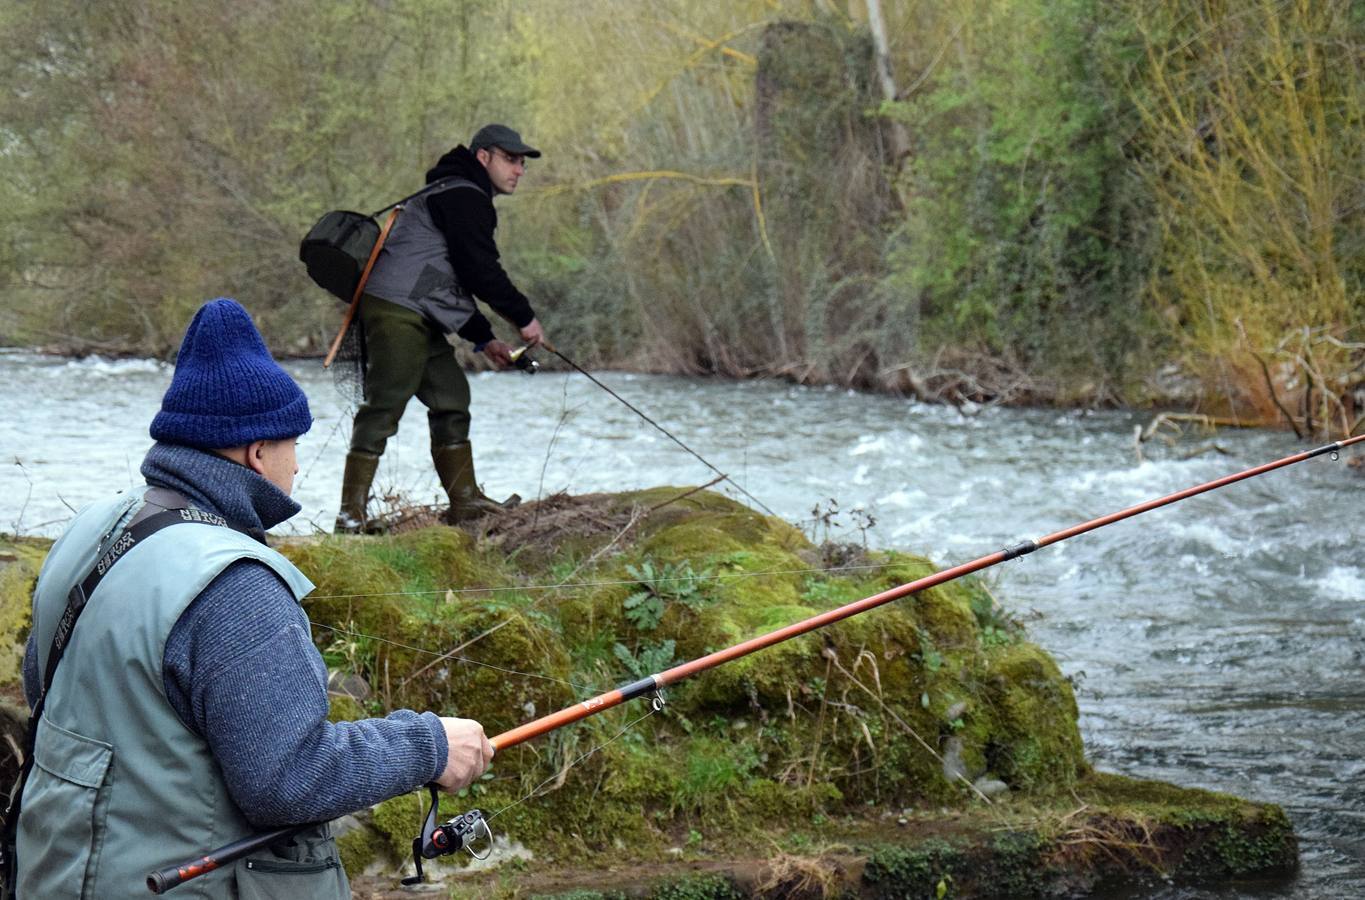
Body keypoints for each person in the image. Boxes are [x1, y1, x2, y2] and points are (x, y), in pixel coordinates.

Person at [13, 299, 493, 898]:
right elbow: (288, 780)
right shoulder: (235, 584)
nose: (298, 467)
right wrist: (429, 745)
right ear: (257, 452)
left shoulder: (91, 531)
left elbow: (46, 688)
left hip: (57, 874)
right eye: (293, 446)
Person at [336, 123, 548, 533]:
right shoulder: (464, 195)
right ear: (482, 157)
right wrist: (523, 317)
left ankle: (465, 503)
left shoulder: (454, 190)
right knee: (385, 405)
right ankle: (349, 517)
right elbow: (479, 271)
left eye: (522, 163)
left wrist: (485, 340)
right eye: (510, 159)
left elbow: (440, 280)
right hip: (398, 307)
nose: (518, 170)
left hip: (416, 305)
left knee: (451, 396)